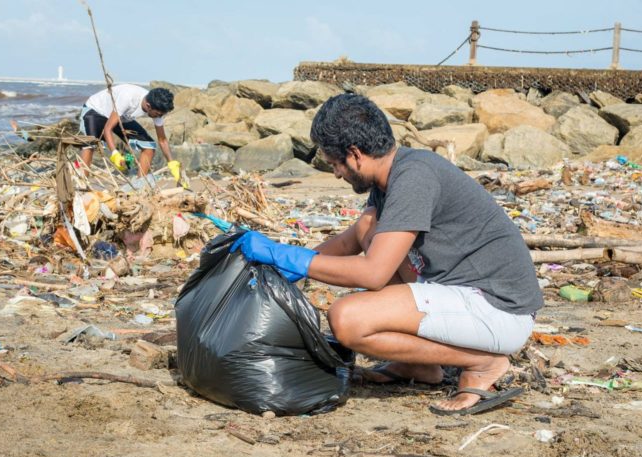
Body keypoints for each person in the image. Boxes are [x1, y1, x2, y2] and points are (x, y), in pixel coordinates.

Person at [230, 93, 543, 415]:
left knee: (348, 320)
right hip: (462, 290)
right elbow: (352, 239)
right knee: (369, 229)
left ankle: (482, 361)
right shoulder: (395, 173)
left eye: (335, 163)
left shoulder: (414, 178)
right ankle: (418, 366)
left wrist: (287, 257)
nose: (337, 173)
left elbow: (373, 273)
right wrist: (283, 266)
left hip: (500, 309)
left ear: (354, 154)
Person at [78, 84, 182, 180]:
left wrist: (171, 162)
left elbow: (162, 140)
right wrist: (114, 153)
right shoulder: (128, 97)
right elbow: (108, 128)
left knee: (149, 146)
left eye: (161, 115)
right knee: (89, 145)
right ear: (148, 105)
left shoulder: (157, 107)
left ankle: (140, 184)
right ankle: (83, 183)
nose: (159, 117)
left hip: (121, 117)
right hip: (96, 110)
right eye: (158, 114)